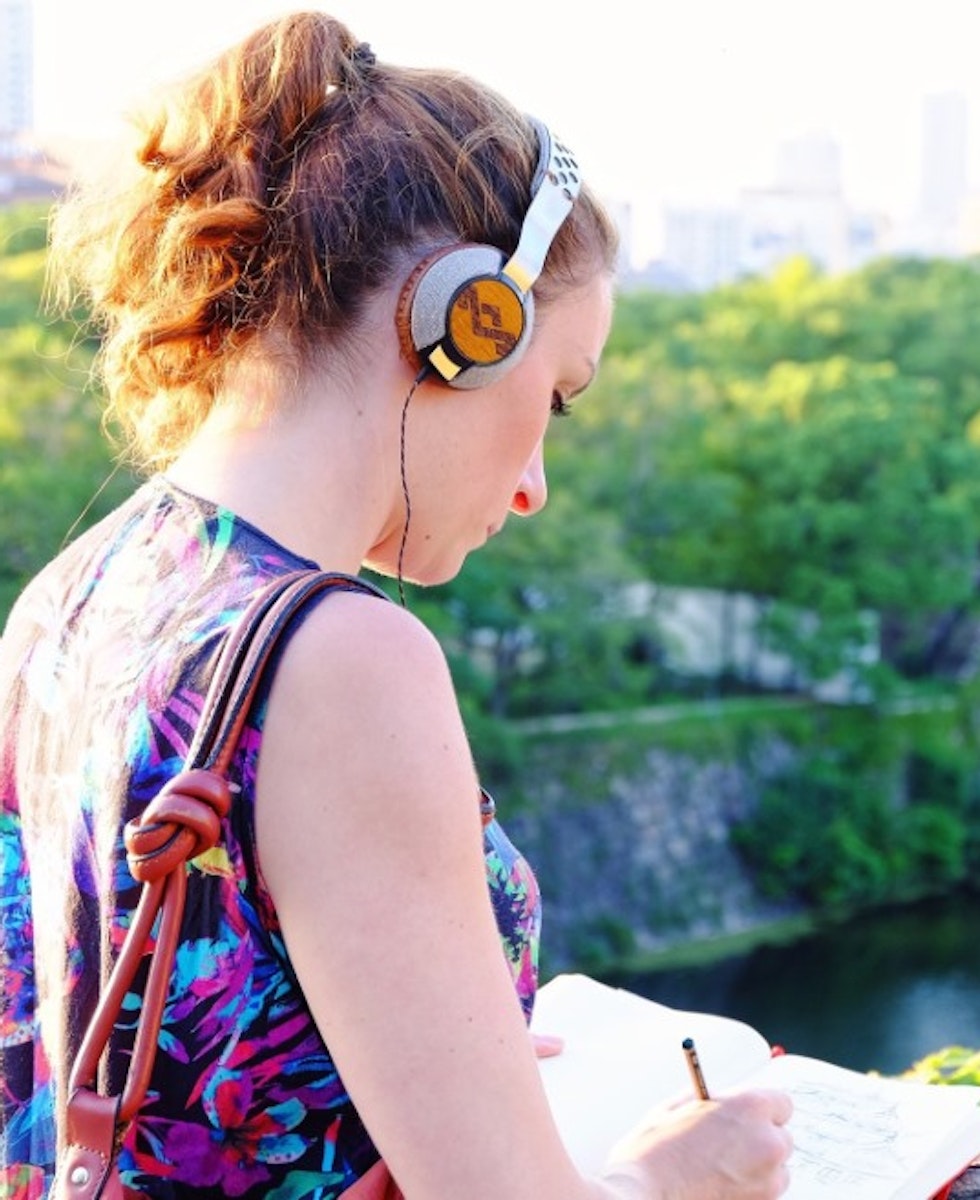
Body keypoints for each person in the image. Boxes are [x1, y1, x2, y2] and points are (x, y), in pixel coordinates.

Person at [0, 11, 793, 1199]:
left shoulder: (71, 594)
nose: (533, 486)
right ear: (464, 326)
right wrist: (682, 1175)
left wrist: (412, 1060)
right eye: (557, 396)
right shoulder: (344, 660)